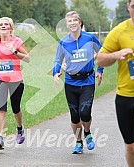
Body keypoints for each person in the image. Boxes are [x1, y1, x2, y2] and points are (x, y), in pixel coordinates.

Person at [96, 0, 134, 166]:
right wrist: (116, 55)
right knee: (131, 147)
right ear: (128, 7)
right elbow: (100, 60)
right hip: (126, 97)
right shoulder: (119, 31)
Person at [52, 11, 103, 154]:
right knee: (75, 116)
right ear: (67, 25)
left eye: (75, 20)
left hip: (87, 81)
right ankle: (79, 142)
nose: (73, 23)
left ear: (80, 22)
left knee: (85, 113)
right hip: (70, 82)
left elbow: (102, 52)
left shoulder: (89, 38)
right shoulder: (63, 42)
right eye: (69, 21)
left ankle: (87, 132)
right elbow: (57, 60)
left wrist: (100, 70)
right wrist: (55, 72)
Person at [0, 17, 30, 150]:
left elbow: (28, 58)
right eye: (1, 25)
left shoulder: (17, 41)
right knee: (1, 109)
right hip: (1, 78)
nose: (4, 26)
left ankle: (19, 128)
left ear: (11, 28)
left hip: (16, 79)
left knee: (16, 108)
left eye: (6, 24)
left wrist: (15, 51)